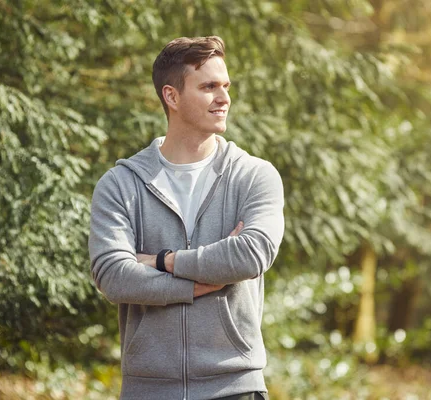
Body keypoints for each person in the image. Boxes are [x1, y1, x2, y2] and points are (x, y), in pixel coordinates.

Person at [88, 36, 284, 400]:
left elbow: (251, 254)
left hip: (235, 388)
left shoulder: (254, 176)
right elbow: (112, 276)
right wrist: (195, 285)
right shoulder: (121, 184)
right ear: (172, 97)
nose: (224, 98)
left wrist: (162, 261)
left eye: (225, 86)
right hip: (148, 390)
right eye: (209, 87)